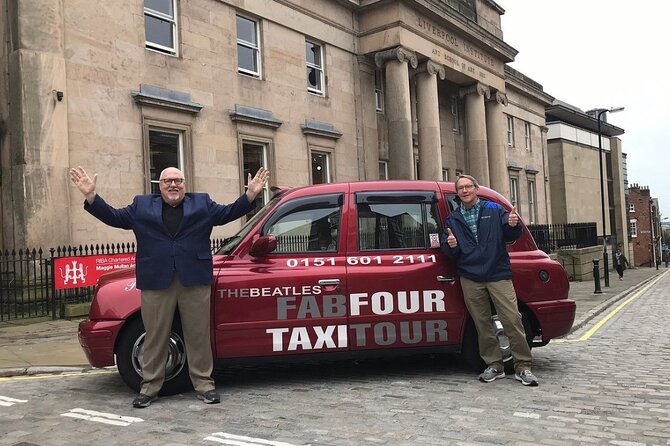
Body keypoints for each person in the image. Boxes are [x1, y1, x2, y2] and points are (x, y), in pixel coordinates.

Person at [69, 165, 270, 408]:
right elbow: (115, 217)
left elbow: (228, 213)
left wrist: (250, 196)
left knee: (198, 334)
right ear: (159, 185)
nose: (173, 185)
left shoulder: (202, 203)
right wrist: (91, 196)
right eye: (167, 181)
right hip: (156, 280)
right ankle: (150, 387)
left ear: (184, 183)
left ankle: (204, 385)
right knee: (155, 335)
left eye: (178, 180)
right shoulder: (142, 206)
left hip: (193, 279)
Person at [441, 174, 538, 387]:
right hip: (471, 277)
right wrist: (451, 244)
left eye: (468, 187)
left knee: (512, 319)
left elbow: (510, 232)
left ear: (476, 189)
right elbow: (449, 251)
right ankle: (494, 365)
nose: (465, 191)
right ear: (457, 193)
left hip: (498, 274)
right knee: (482, 324)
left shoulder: (494, 210)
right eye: (461, 188)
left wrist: (513, 224)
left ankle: (523, 366)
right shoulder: (453, 219)